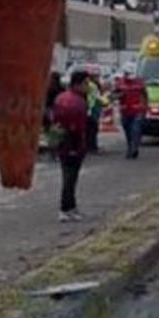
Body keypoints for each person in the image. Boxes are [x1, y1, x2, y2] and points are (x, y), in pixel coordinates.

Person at [53, 71, 90, 222]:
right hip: (73, 143)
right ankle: (65, 208)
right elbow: (77, 127)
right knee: (70, 178)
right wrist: (76, 147)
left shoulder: (61, 98)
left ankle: (71, 206)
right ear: (77, 84)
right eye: (86, 83)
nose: (88, 86)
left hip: (61, 141)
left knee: (69, 177)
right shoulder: (77, 102)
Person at [113, 68, 148, 159]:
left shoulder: (140, 83)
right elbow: (113, 95)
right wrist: (119, 95)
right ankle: (130, 147)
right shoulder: (119, 83)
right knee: (128, 132)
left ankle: (134, 149)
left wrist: (145, 108)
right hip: (125, 111)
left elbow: (145, 96)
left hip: (137, 111)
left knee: (135, 130)